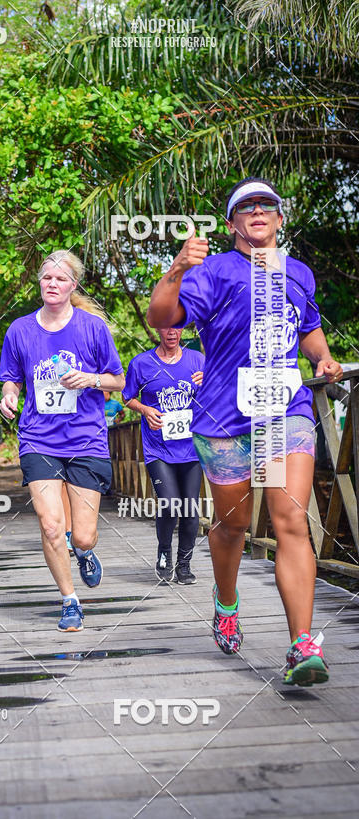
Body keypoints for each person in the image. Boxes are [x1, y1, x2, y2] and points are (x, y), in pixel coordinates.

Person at [146, 176, 343, 686]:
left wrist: (323, 360)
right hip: (224, 418)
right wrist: (177, 268)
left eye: (267, 206)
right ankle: (226, 601)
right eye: (246, 207)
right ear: (233, 223)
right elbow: (161, 316)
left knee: (290, 522)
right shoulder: (213, 271)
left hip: (285, 411)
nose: (258, 212)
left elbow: (310, 332)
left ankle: (302, 644)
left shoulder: (298, 273)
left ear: (280, 219)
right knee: (233, 525)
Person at [0, 250, 125, 632]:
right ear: (40, 283)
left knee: (83, 535)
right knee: (51, 525)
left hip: (86, 439)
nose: (52, 284)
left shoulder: (92, 328)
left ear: (73, 285)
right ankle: (70, 601)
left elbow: (118, 381)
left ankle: (84, 552)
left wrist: (89, 379)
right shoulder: (20, 330)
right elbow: (12, 377)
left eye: (60, 279)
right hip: (39, 439)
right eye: (47, 278)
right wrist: (9, 395)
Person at [123, 328, 205, 584]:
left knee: (190, 509)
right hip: (158, 448)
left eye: (177, 326)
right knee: (170, 503)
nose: (172, 332)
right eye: (167, 326)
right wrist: (145, 409)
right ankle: (164, 553)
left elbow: (215, 395)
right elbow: (127, 397)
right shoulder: (141, 363)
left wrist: (209, 382)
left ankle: (184, 564)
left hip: (191, 448)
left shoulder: (198, 360)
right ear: (158, 329)